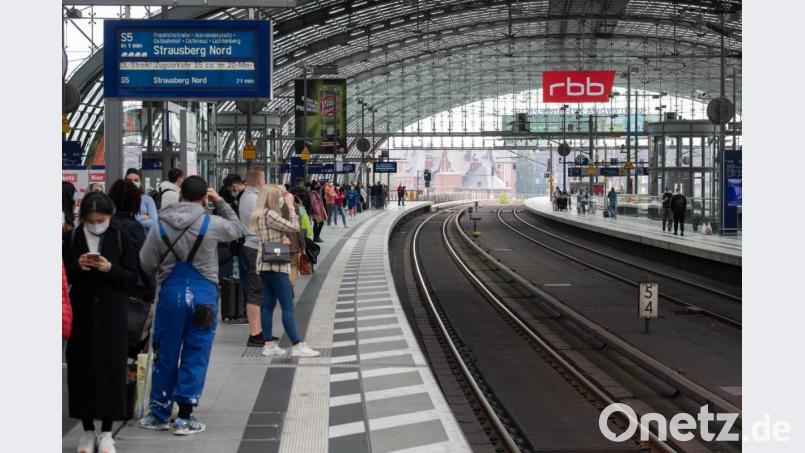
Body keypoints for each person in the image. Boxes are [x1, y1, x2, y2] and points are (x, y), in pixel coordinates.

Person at [137, 176, 242, 435]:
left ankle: (159, 413)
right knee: (196, 353)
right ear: (205, 197)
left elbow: (146, 262)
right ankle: (184, 417)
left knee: (166, 353)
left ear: (180, 195)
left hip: (171, 295)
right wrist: (221, 202)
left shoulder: (160, 223)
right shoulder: (211, 223)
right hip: (204, 296)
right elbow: (237, 229)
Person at [63, 192, 139, 453]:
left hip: (112, 311)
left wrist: (109, 268)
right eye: (91, 221)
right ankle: (87, 431)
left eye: (101, 220)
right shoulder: (72, 237)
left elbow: (132, 276)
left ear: (110, 216)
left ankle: (106, 432)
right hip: (81, 311)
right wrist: (78, 266)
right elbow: (63, 273)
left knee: (112, 368)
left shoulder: (120, 236)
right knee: (81, 369)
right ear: (83, 218)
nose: (96, 225)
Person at [252, 185, 320, 358]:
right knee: (287, 306)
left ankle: (268, 344)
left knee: (268, 305)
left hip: (264, 264)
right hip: (277, 265)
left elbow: (271, 235)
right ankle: (297, 345)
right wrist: (291, 207)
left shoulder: (260, 214)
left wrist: (281, 238)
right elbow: (295, 227)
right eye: (279, 196)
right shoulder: (271, 214)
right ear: (273, 198)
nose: (282, 198)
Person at [108, 179, 157, 349]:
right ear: (135, 202)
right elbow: (143, 260)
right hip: (134, 290)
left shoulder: (108, 223)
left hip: (111, 286)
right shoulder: (133, 227)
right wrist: (152, 289)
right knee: (132, 340)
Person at [238, 167, 268, 347]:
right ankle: (255, 334)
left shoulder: (245, 196)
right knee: (256, 291)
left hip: (250, 246)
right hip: (255, 247)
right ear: (259, 181)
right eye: (264, 179)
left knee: (257, 290)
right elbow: (266, 221)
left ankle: (260, 331)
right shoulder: (254, 199)